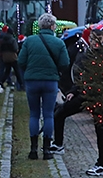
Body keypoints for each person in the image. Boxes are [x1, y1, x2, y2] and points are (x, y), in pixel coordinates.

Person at [51, 28, 103, 175]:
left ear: (102, 40)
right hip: (84, 94)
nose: (94, 42)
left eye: (98, 40)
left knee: (100, 129)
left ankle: (101, 164)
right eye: (92, 39)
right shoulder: (85, 55)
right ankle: (58, 144)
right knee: (60, 113)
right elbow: (80, 77)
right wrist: (72, 91)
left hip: (99, 96)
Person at [18, 13, 69, 159]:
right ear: (53, 26)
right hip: (50, 82)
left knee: (34, 114)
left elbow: (21, 61)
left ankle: (33, 150)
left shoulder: (29, 41)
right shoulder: (59, 43)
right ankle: (46, 150)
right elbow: (65, 63)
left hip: (32, 81)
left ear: (40, 26)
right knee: (48, 115)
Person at [0, 26, 24, 90]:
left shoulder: (3, 40)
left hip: (5, 57)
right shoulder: (12, 39)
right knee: (17, 71)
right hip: (12, 57)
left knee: (7, 71)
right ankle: (21, 85)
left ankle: (1, 82)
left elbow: (0, 48)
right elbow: (15, 48)